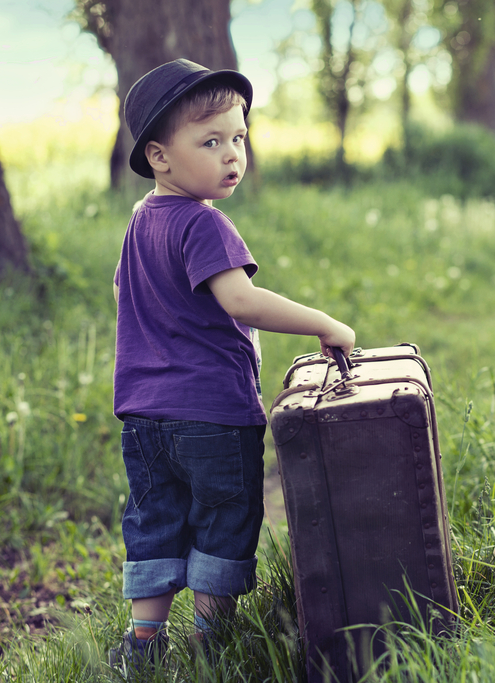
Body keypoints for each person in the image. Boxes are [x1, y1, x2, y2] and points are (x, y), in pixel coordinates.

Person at [109, 58, 355, 675]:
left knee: (156, 519)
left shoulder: (142, 220)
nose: (231, 156)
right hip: (212, 414)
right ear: (160, 156)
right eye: (211, 141)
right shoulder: (204, 222)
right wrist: (325, 323)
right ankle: (209, 642)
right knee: (224, 518)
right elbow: (240, 300)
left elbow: (122, 293)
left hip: (142, 417)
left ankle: (144, 642)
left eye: (239, 138)